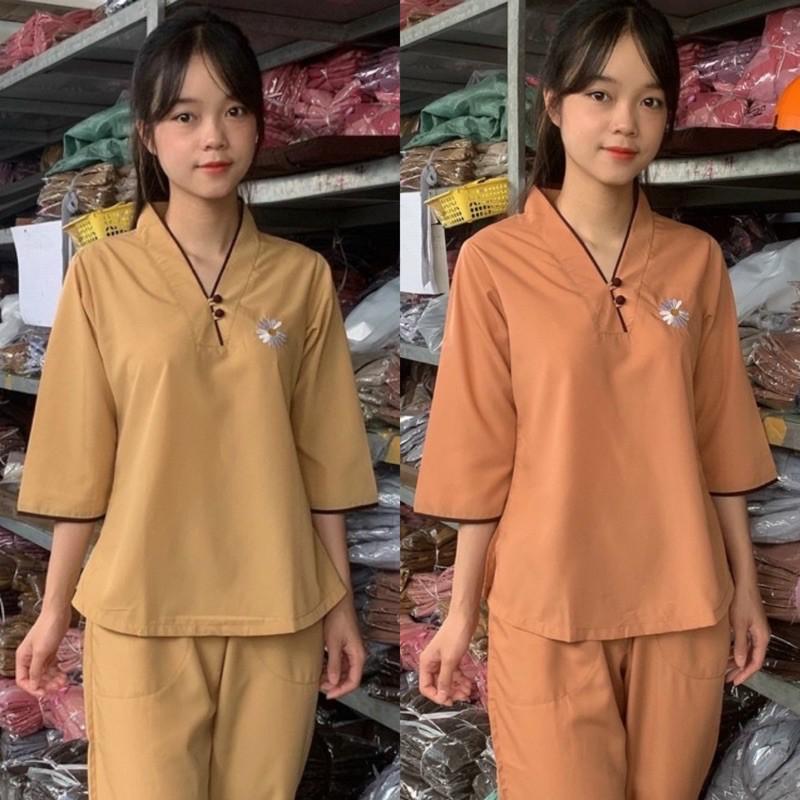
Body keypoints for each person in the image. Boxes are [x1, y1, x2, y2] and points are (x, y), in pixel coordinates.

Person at [412, 1, 777, 798]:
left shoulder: (695, 262)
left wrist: (747, 591)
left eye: (650, 100)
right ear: (552, 103)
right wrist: (459, 614)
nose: (626, 122)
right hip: (548, 608)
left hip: (683, 603)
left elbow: (721, 437)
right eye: (601, 95)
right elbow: (479, 451)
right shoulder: (494, 263)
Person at [13, 9, 377, 799]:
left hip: (278, 610)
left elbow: (325, 461)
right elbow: (79, 460)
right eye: (185, 116)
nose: (213, 136)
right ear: (148, 135)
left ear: (257, 125)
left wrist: (341, 606)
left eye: (234, 110)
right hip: (141, 610)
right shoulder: (102, 277)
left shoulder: (302, 278)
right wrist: (54, 610)